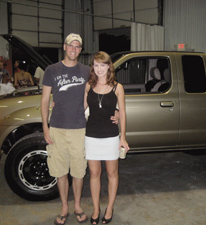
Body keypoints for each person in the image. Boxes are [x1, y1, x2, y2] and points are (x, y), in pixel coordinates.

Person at [41, 33, 91, 225]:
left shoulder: (87, 70)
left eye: (78, 46)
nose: (74, 49)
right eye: (71, 45)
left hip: (80, 128)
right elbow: (45, 100)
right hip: (57, 128)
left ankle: (77, 205)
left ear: (80, 50)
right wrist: (45, 127)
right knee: (60, 171)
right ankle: (64, 207)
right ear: (64, 46)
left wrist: (116, 111)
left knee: (78, 171)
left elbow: (95, 94)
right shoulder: (51, 70)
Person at [84, 51, 130, 224]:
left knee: (112, 173)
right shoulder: (88, 85)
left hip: (111, 136)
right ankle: (96, 209)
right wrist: (58, 103)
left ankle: (109, 208)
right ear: (92, 68)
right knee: (94, 174)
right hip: (91, 136)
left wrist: (123, 138)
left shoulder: (118, 87)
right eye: (96, 65)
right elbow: (80, 108)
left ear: (109, 66)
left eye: (103, 65)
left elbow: (123, 113)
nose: (100, 69)